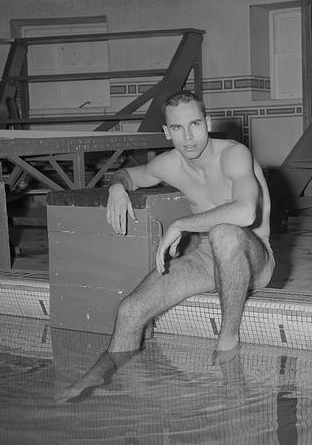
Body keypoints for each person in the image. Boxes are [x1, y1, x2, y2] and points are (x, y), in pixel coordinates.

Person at [57, 90, 275, 401]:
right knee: (130, 310)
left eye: (195, 125)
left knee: (225, 233)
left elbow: (245, 212)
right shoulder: (169, 164)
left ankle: (228, 342)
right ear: (166, 132)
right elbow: (129, 175)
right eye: (177, 128)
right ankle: (100, 377)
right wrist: (117, 187)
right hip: (206, 260)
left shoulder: (233, 154)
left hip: (253, 258)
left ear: (207, 123)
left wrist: (180, 224)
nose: (188, 137)